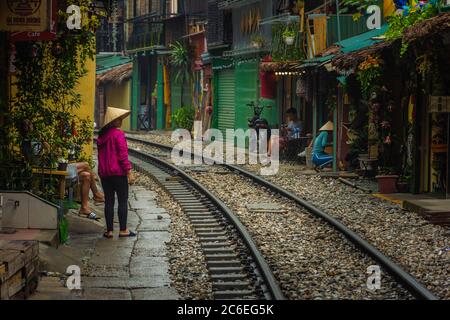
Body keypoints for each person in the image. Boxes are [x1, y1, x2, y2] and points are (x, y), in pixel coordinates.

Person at [97, 107, 136, 239]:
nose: (121, 120)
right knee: (122, 201)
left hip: (105, 174)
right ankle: (123, 230)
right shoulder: (118, 134)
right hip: (118, 173)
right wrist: (129, 172)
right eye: (118, 119)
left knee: (109, 201)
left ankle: (109, 231)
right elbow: (122, 156)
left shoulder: (102, 136)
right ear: (113, 121)